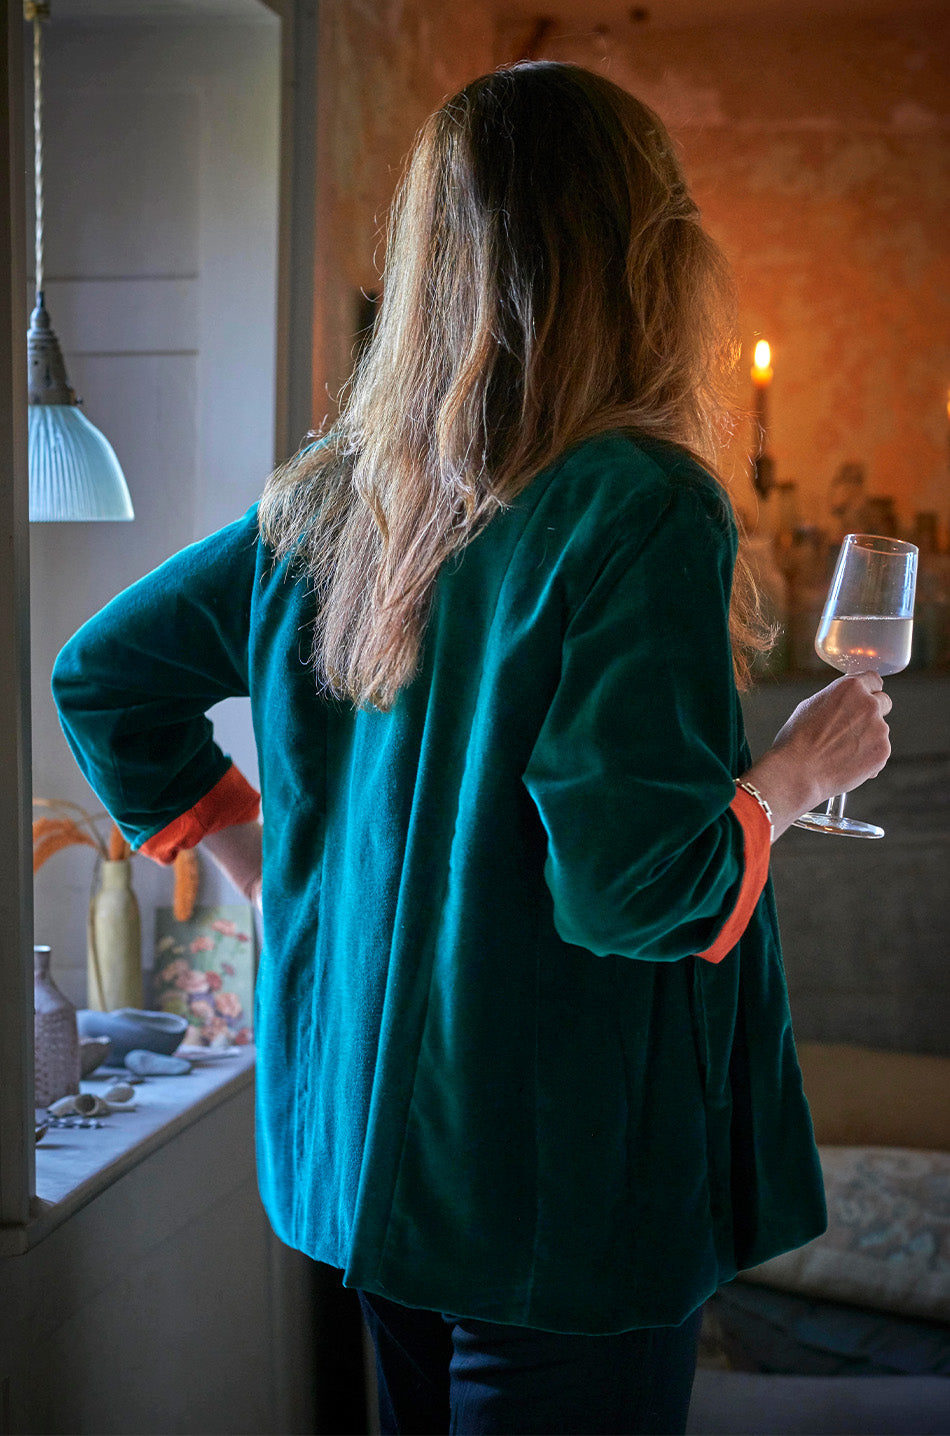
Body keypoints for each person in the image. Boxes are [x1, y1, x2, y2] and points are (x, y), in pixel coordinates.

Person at [52, 61, 892, 1436]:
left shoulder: (330, 495)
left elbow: (105, 678)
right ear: (645, 258)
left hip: (365, 1156)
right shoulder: (640, 504)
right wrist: (798, 772)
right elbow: (633, 891)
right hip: (558, 1187)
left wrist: (268, 874)